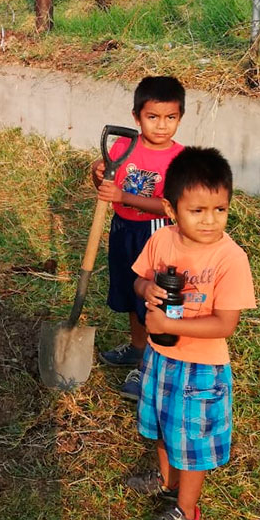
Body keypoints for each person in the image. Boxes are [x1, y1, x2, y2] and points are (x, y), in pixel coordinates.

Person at [123, 146, 255, 520]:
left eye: (220, 209)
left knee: (191, 443)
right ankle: (165, 480)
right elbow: (138, 280)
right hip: (161, 359)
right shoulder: (162, 241)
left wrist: (165, 323)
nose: (210, 220)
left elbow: (225, 324)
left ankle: (187, 510)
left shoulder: (231, 258)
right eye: (197, 210)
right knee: (164, 429)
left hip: (201, 369)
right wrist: (147, 288)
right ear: (170, 207)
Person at [92, 76, 185, 400]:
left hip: (155, 235)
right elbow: (108, 189)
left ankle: (150, 364)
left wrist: (123, 195)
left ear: (180, 118)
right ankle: (136, 347)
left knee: (151, 296)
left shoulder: (179, 160)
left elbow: (169, 207)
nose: (161, 126)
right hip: (123, 229)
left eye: (170, 118)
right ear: (136, 117)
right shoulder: (124, 146)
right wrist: (98, 176)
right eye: (153, 117)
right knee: (130, 293)